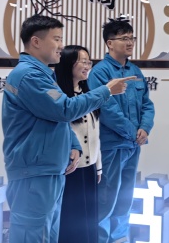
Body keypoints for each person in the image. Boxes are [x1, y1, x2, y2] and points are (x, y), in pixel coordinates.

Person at [2, 14, 135, 243]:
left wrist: (73, 144)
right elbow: (63, 109)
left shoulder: (43, 74)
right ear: (36, 41)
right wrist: (106, 90)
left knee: (48, 234)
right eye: (56, 39)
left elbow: (55, 117)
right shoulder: (28, 76)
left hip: (49, 169)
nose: (61, 46)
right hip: (34, 173)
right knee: (33, 235)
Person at [88, 18, 155, 243]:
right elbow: (108, 110)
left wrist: (145, 127)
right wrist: (132, 132)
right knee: (106, 197)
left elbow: (147, 104)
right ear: (109, 43)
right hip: (112, 145)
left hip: (133, 145)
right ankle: (100, 239)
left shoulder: (135, 71)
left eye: (131, 38)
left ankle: (119, 238)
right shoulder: (100, 72)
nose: (130, 42)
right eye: (124, 38)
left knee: (126, 196)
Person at [54, 45, 102, 243]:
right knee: (71, 221)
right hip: (70, 170)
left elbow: (96, 135)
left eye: (89, 62)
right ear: (68, 64)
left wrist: (98, 166)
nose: (87, 66)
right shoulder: (59, 98)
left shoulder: (88, 94)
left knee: (89, 219)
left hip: (89, 168)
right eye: (83, 61)